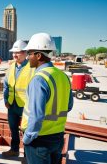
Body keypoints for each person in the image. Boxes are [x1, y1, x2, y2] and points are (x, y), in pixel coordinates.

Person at [21, 33, 73, 164]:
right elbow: (69, 106)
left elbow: (36, 116)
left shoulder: (39, 79)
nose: (27, 57)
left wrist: (27, 138)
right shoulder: (63, 76)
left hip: (39, 141)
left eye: (29, 53)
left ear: (38, 55)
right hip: (57, 137)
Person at [2, 40, 34, 157]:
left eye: (18, 52)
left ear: (25, 53)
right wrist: (6, 100)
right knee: (13, 129)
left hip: (26, 106)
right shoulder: (11, 67)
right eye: (13, 53)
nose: (15, 55)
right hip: (12, 105)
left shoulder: (32, 67)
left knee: (26, 130)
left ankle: (27, 154)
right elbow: (6, 85)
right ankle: (14, 149)